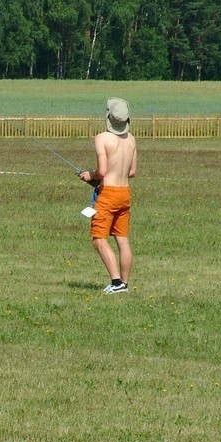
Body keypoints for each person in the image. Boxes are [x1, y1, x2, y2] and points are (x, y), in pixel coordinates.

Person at [78, 97, 137, 294]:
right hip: (124, 193)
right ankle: (124, 284)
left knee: (99, 239)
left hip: (108, 195)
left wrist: (89, 175)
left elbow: (102, 171)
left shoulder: (102, 138)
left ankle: (116, 282)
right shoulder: (131, 139)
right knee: (122, 239)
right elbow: (132, 172)